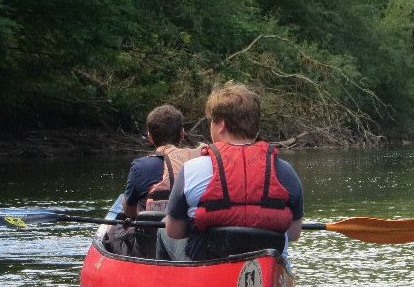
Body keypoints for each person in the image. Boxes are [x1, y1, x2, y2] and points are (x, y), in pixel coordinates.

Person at [161, 82, 304, 261]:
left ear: (220, 125)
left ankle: (167, 283)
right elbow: (293, 233)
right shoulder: (285, 171)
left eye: (211, 122)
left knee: (162, 229)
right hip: (264, 269)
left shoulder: (192, 169)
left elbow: (174, 231)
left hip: (209, 269)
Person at [106, 105, 202, 257]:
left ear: (150, 136)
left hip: (147, 247)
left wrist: (134, 208)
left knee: (113, 231)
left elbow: (130, 212)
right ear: (182, 133)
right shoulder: (199, 164)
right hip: (187, 247)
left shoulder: (140, 166)